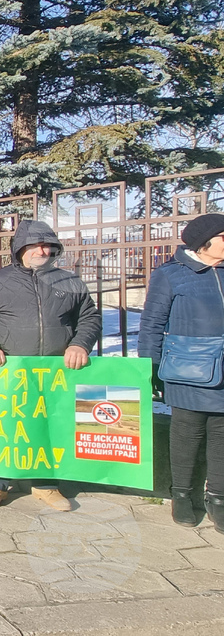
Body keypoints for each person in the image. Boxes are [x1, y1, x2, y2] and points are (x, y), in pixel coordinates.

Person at [0, 219, 102, 511]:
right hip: (8, 371)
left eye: (50, 245)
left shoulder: (69, 281)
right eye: (38, 244)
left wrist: (79, 344)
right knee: (4, 425)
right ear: (21, 248)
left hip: (54, 373)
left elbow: (89, 318)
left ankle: (46, 485)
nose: (45, 250)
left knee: (49, 425)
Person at [138, 213, 224, 531]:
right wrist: (151, 367)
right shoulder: (172, 274)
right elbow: (152, 323)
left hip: (223, 371)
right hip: (188, 370)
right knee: (187, 434)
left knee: (221, 435)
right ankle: (183, 495)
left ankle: (218, 498)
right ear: (205, 242)